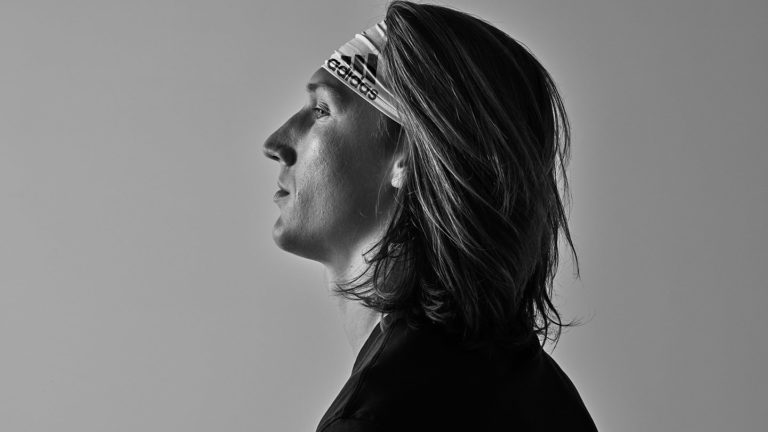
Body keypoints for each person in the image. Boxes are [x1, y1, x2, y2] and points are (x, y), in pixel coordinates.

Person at [263, 1, 597, 431]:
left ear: (406, 156)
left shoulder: (375, 418)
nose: (276, 142)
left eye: (322, 110)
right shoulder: (542, 393)